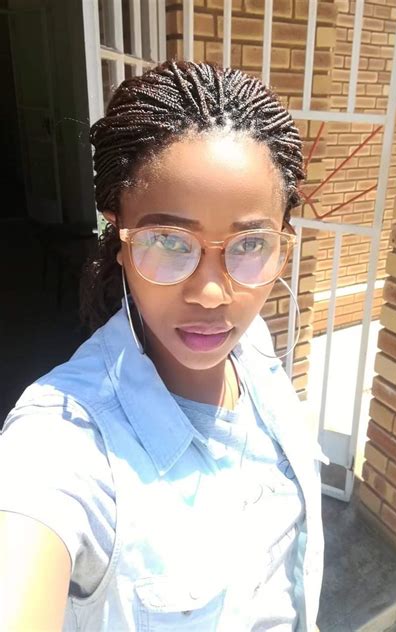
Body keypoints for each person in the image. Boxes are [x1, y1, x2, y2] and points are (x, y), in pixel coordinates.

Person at [0, 61, 328, 631]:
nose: (212, 294)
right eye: (169, 241)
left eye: (250, 244)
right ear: (118, 235)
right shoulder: (66, 441)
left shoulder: (253, 345)